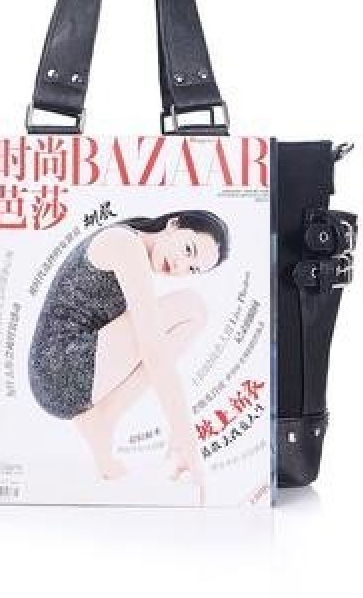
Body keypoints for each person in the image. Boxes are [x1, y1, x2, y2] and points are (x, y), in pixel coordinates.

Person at [28, 209, 230, 504]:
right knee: (193, 309)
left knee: (176, 323)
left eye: (192, 269)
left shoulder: (132, 246)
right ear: (174, 224)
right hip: (59, 366)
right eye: (189, 249)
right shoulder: (125, 244)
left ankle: (102, 422)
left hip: (56, 374)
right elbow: (155, 354)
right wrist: (188, 443)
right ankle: (103, 420)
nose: (181, 266)